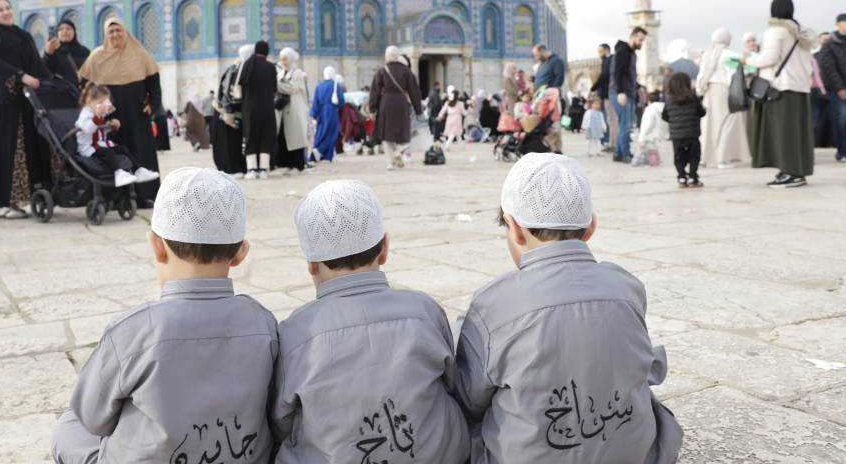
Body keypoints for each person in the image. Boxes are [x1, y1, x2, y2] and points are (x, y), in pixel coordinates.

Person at [455, 153, 683, 463]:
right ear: (591, 226)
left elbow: (471, 399)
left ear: (514, 227)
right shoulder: (626, 285)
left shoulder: (492, 303)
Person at [50, 167, 277, 464]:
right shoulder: (263, 323)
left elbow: (93, 418)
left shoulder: (132, 330)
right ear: (240, 253)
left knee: (69, 426)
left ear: (156, 246)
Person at [272, 180, 469, 464]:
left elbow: (281, 420)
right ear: (384, 248)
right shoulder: (424, 311)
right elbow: (453, 383)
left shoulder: (296, 332)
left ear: (311, 266)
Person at [0, 0, 54, 218]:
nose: (6, 12)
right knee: (0, 147)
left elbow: (35, 63)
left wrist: (51, 80)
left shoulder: (22, 35)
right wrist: (20, 75)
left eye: (8, 8)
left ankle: (9, 200)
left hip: (21, 100)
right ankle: (2, 201)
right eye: (0, 9)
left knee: (19, 149)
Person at [79, 17, 163, 207]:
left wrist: (154, 105)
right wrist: (94, 108)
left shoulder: (140, 54)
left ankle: (144, 195)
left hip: (137, 115)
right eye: (111, 32)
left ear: (125, 33)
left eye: (119, 31)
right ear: (106, 35)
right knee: (113, 153)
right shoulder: (96, 56)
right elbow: (85, 86)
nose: (115, 35)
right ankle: (114, 197)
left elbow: (154, 84)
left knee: (139, 151)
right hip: (109, 118)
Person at [742, 0, 817, 188]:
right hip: (800, 87)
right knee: (796, 132)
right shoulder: (801, 32)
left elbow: (769, 58)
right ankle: (793, 170)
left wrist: (749, 60)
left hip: (781, 87)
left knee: (783, 132)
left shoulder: (776, 31)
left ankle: (792, 173)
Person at [75, 82, 157, 187]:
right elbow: (88, 129)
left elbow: (101, 131)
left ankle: (138, 170)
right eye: (100, 102)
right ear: (89, 101)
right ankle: (118, 173)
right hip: (89, 148)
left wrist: (112, 125)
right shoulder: (85, 114)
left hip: (100, 144)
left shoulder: (97, 114)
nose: (103, 106)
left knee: (122, 149)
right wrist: (97, 117)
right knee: (108, 152)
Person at [696, 28, 750, 168]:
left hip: (709, 91)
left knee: (709, 124)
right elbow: (734, 73)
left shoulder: (708, 54)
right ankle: (722, 159)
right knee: (728, 123)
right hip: (724, 90)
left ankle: (704, 158)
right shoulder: (729, 54)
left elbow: (701, 75)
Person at [818, 13, 846, 162]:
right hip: (837, 89)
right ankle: (841, 151)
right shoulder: (829, 44)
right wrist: (840, 88)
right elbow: (828, 68)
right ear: (838, 24)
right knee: (841, 118)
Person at [369, 45, 423, 170]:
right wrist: (418, 109)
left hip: (386, 104)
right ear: (398, 56)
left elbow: (375, 91)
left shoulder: (382, 71)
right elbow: (414, 91)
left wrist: (372, 109)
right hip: (401, 103)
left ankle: (389, 163)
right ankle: (399, 151)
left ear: (387, 56)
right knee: (404, 131)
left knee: (387, 134)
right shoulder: (406, 70)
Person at [237, 40, 277, 179]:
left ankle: (252, 169)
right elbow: (274, 89)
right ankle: (264, 170)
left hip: (250, 109)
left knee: (251, 136)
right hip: (267, 109)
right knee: (266, 137)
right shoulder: (271, 67)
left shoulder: (248, 64)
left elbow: (240, 86)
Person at [211, 45, 252, 176]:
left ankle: (235, 168)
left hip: (230, 111)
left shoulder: (239, 68)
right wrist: (229, 111)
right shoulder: (237, 69)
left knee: (233, 142)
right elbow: (228, 93)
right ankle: (233, 169)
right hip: (227, 112)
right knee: (230, 142)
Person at [610, 27, 647, 162]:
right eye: (640, 40)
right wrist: (620, 92)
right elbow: (618, 72)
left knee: (624, 124)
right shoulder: (623, 51)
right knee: (626, 124)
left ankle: (619, 153)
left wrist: (637, 87)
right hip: (621, 93)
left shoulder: (631, 53)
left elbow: (628, 74)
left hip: (628, 92)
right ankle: (625, 153)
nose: (641, 43)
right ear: (633, 37)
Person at [662, 73, 706, 188]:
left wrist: (674, 121)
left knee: (679, 157)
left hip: (676, 136)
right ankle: (693, 178)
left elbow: (664, 116)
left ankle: (681, 178)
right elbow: (701, 113)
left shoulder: (669, 99)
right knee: (694, 156)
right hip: (692, 134)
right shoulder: (693, 98)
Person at [276, 48, 310, 174]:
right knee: (285, 138)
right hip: (284, 111)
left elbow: (291, 88)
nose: (282, 62)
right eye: (281, 59)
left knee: (296, 138)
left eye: (285, 59)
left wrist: (276, 84)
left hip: (295, 110)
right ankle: (289, 165)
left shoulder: (298, 73)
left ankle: (298, 166)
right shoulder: (281, 73)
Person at [43, 19, 90, 88]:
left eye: (68, 29)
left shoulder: (84, 51)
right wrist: (48, 54)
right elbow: (45, 70)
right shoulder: (53, 51)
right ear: (57, 33)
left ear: (74, 32)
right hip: (61, 92)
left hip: (83, 91)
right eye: (61, 29)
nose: (65, 31)